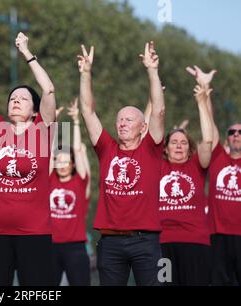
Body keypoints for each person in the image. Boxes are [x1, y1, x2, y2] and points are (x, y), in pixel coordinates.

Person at [0, 31, 56, 286]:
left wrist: (27, 53)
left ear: (35, 110)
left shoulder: (43, 130)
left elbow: (49, 89)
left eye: (23, 99)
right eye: (12, 99)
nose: (16, 101)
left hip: (34, 233)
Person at [79, 42, 165, 286]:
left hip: (145, 243)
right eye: (119, 120)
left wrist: (152, 70)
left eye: (129, 120)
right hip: (110, 242)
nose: (122, 123)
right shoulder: (107, 148)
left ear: (143, 127)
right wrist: (85, 74)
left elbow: (158, 110)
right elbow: (87, 111)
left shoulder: (151, 149)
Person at [153, 83, 213, 286]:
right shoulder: (157, 166)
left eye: (184, 142)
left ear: (189, 150)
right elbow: (149, 133)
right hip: (162, 244)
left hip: (195, 242)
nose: (178, 146)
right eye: (174, 142)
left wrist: (202, 103)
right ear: (166, 149)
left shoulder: (197, 165)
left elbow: (208, 140)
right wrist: (155, 99)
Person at [186, 65, 241, 285]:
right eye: (232, 132)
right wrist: (205, 87)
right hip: (216, 235)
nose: (236, 135)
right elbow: (209, 127)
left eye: (240, 132)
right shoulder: (218, 158)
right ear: (226, 138)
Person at [49, 99, 92, 286]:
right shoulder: (49, 181)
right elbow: (49, 153)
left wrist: (75, 122)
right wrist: (54, 123)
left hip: (76, 248)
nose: (62, 165)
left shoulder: (79, 182)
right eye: (59, 161)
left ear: (72, 164)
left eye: (66, 161)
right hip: (49, 247)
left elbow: (77, 149)